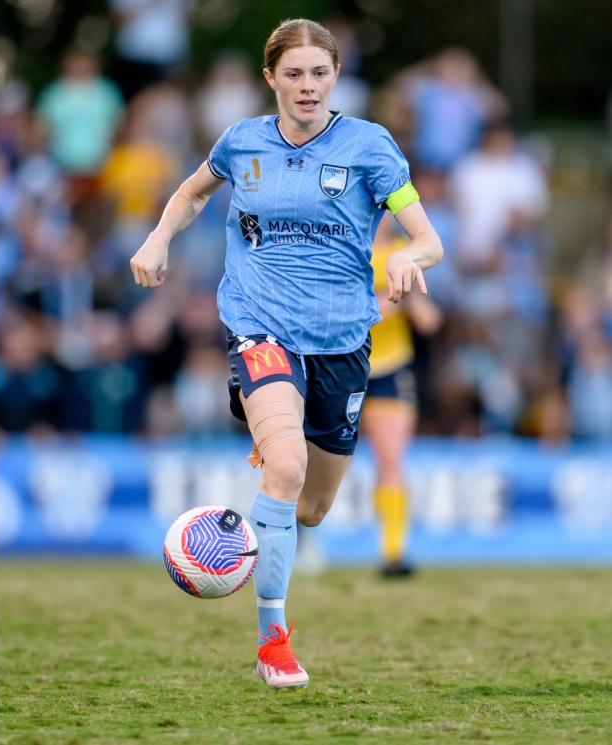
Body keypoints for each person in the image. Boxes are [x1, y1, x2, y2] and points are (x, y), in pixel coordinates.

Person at [129, 18, 443, 690]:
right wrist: (158, 238)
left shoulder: (369, 147)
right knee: (289, 462)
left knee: (311, 506)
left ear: (335, 77)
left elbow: (428, 238)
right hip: (260, 329)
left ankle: (250, 518)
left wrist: (410, 260)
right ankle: (273, 641)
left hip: (343, 342)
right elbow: (190, 193)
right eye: (293, 74)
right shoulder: (241, 142)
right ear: (270, 76)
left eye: (319, 73)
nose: (307, 86)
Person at [362, 219, 442, 578]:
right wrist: (384, 306)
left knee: (390, 460)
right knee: (319, 458)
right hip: (345, 364)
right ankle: (303, 540)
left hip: (390, 369)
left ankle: (393, 552)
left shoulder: (401, 254)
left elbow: (429, 320)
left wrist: (408, 305)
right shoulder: (347, 246)